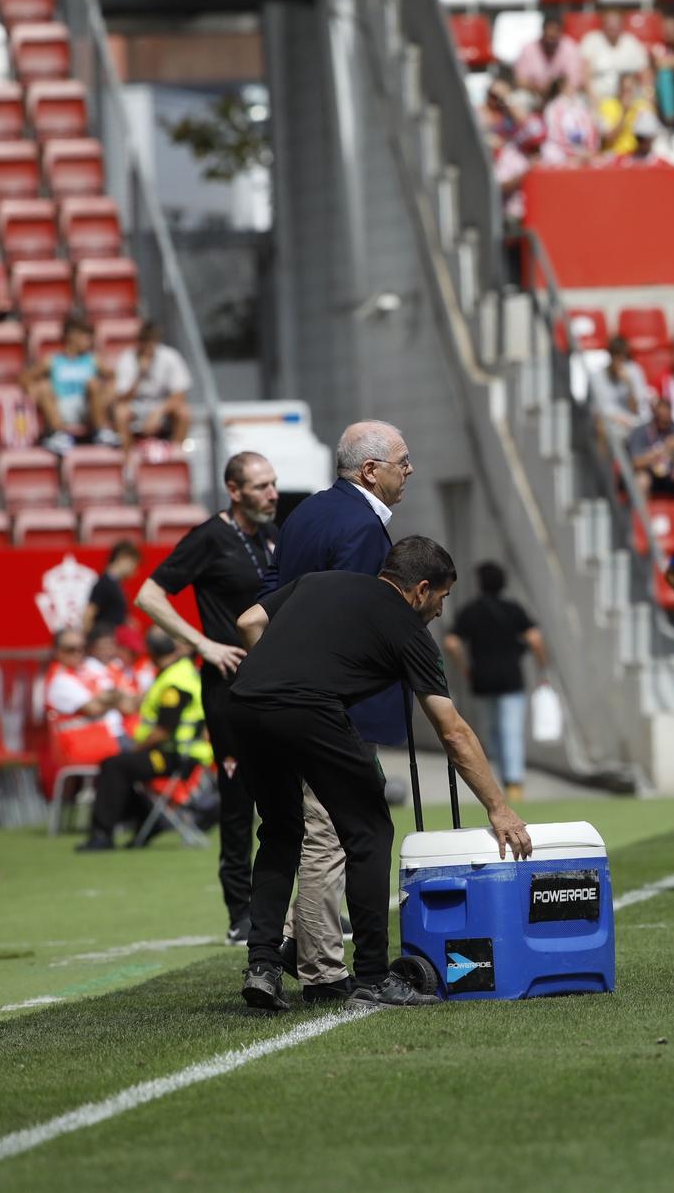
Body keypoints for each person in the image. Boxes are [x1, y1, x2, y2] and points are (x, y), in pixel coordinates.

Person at [233, 538, 529, 1011]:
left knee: (281, 832)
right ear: (422, 590)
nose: (439, 611)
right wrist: (499, 806)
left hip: (245, 704)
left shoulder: (318, 580)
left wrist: (275, 679)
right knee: (370, 830)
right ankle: (373, 978)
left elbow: (249, 621)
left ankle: (263, 964)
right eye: (442, 599)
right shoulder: (408, 630)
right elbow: (452, 731)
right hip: (308, 710)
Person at [263, 420, 413, 1000]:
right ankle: (323, 965)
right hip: (329, 702)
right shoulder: (360, 525)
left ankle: (289, 945)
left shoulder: (305, 515)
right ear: (370, 470)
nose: (410, 470)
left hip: (284, 693)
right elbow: (354, 619)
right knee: (328, 830)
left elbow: (269, 594)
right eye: (402, 460)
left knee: (296, 827)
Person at [134, 451, 281, 943]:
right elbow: (149, 594)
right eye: (260, 486)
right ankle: (240, 912)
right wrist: (203, 643)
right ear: (233, 490)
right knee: (238, 800)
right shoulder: (210, 537)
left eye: (273, 484)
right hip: (229, 688)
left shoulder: (270, 536)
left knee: (289, 800)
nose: (271, 493)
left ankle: (301, 909)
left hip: (276, 686)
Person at [76, 630, 211, 852]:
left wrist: (135, 749)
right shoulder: (178, 672)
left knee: (115, 766)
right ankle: (148, 820)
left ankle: (103, 834)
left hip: (175, 755)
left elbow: (163, 730)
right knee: (118, 766)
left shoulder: (174, 681)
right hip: (176, 752)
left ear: (151, 652)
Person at [442, 562, 549, 807]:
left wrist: (465, 668)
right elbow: (535, 639)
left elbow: (451, 643)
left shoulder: (470, 611)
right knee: (511, 731)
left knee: (490, 734)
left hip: (482, 680)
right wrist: (543, 669)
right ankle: (514, 784)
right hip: (511, 679)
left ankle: (496, 780)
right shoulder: (513, 609)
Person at [27, 315, 111, 453]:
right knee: (43, 386)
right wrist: (32, 390)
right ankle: (58, 435)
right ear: (73, 336)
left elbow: (114, 377)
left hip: (86, 408)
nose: (90, 341)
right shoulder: (53, 360)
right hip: (62, 407)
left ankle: (102, 432)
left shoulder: (92, 360)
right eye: (86, 337)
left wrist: (107, 394)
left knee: (93, 384)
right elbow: (26, 377)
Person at [110, 322, 193, 448]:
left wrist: (158, 413)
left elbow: (180, 395)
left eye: (152, 341)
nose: (148, 346)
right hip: (136, 406)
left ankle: (176, 455)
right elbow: (122, 397)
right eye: (145, 341)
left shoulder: (171, 357)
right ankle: (127, 456)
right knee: (120, 412)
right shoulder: (127, 358)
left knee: (184, 412)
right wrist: (139, 376)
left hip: (161, 406)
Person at [84, 541, 141, 636]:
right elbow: (88, 614)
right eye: (134, 564)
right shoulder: (104, 583)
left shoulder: (116, 584)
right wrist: (89, 641)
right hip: (106, 640)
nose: (135, 570)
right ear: (123, 557)